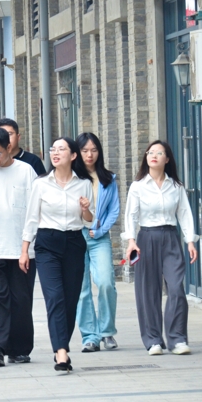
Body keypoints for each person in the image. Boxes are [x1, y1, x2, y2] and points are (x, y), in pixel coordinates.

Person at [22, 137, 94, 372]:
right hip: (47, 244)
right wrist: (24, 250)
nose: (55, 153)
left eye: (61, 149)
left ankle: (62, 343)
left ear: (73, 156)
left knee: (71, 299)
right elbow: (31, 218)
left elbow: (89, 220)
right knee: (54, 297)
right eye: (53, 149)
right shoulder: (41, 184)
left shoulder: (84, 184)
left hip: (74, 242)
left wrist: (86, 209)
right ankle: (61, 351)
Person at [122, 140, 198, 356]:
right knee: (148, 291)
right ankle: (153, 340)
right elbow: (131, 215)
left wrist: (190, 241)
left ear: (167, 159)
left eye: (159, 153)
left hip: (171, 238)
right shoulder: (138, 186)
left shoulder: (176, 187)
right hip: (146, 238)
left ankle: (177, 339)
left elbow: (184, 213)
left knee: (176, 288)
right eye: (150, 152)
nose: (154, 155)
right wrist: (131, 241)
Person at [0, 126, 38, 367]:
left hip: (21, 247)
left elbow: (34, 210)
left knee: (21, 299)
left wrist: (27, 246)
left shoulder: (26, 171)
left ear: (9, 147)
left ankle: (20, 349)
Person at [76, 132, 121, 353]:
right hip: (76, 237)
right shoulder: (73, 178)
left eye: (94, 150)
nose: (89, 154)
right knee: (81, 289)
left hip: (99, 237)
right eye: (85, 150)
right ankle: (89, 336)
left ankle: (107, 331)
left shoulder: (108, 179)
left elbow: (114, 210)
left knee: (105, 282)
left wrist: (100, 229)